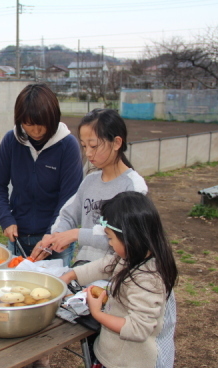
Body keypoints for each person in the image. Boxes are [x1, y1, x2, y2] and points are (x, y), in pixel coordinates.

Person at [60, 191, 178, 368]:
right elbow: (107, 264)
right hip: (118, 356)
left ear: (131, 237)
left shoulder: (148, 278)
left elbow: (138, 328)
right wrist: (71, 274)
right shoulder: (135, 254)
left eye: (110, 238)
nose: (110, 244)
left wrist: (97, 313)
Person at [31, 108, 148, 264]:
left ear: (117, 143)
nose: (88, 153)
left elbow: (124, 235)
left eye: (93, 146)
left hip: (116, 274)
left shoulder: (133, 186)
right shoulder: (90, 181)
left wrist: (76, 234)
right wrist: (56, 235)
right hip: (83, 268)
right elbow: (68, 215)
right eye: (84, 146)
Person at [0, 83, 83, 267]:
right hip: (18, 237)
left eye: (42, 125)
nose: (36, 131)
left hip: (56, 240)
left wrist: (52, 235)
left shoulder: (67, 146)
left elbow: (70, 198)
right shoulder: (11, 141)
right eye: (29, 125)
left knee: (54, 289)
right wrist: (6, 219)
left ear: (53, 119)